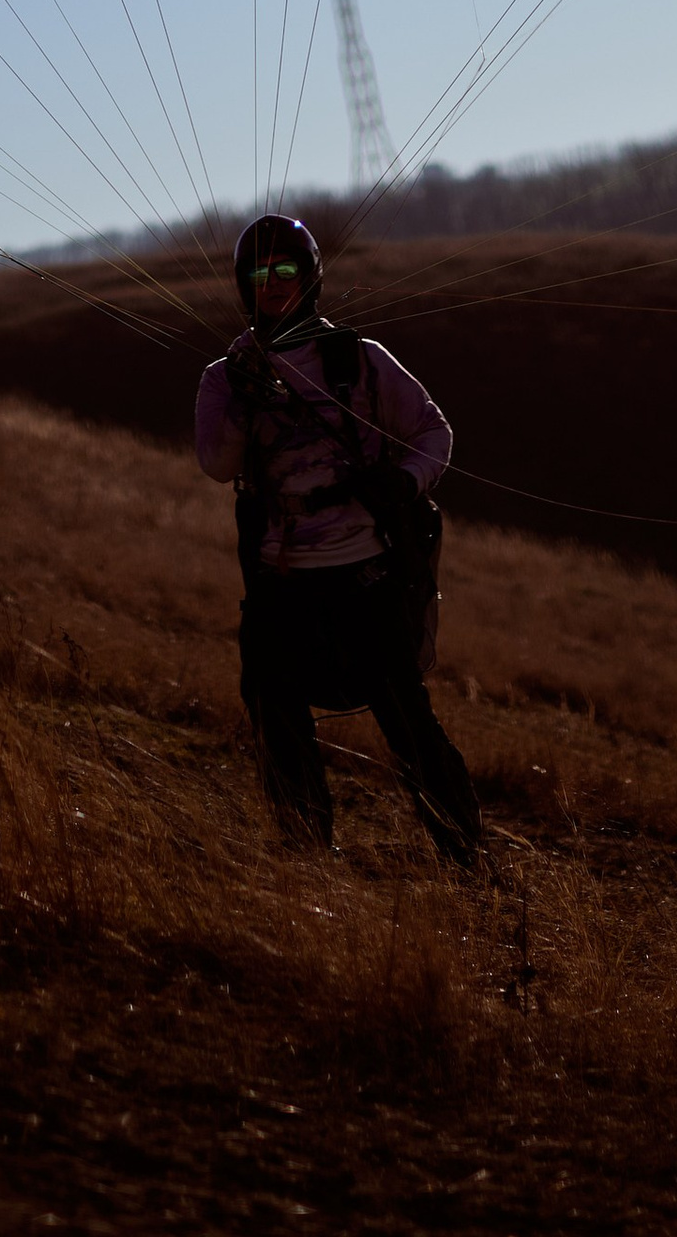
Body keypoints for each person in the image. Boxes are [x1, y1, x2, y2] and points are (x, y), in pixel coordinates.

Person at [194, 213, 482, 865]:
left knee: (409, 726)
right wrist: (241, 397)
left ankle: (466, 860)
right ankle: (307, 865)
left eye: (286, 270)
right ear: (244, 283)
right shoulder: (223, 375)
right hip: (280, 581)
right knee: (276, 721)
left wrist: (405, 484)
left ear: (311, 276)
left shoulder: (359, 361)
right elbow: (216, 463)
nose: (273, 284)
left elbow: (434, 432)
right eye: (260, 273)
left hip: (366, 576)